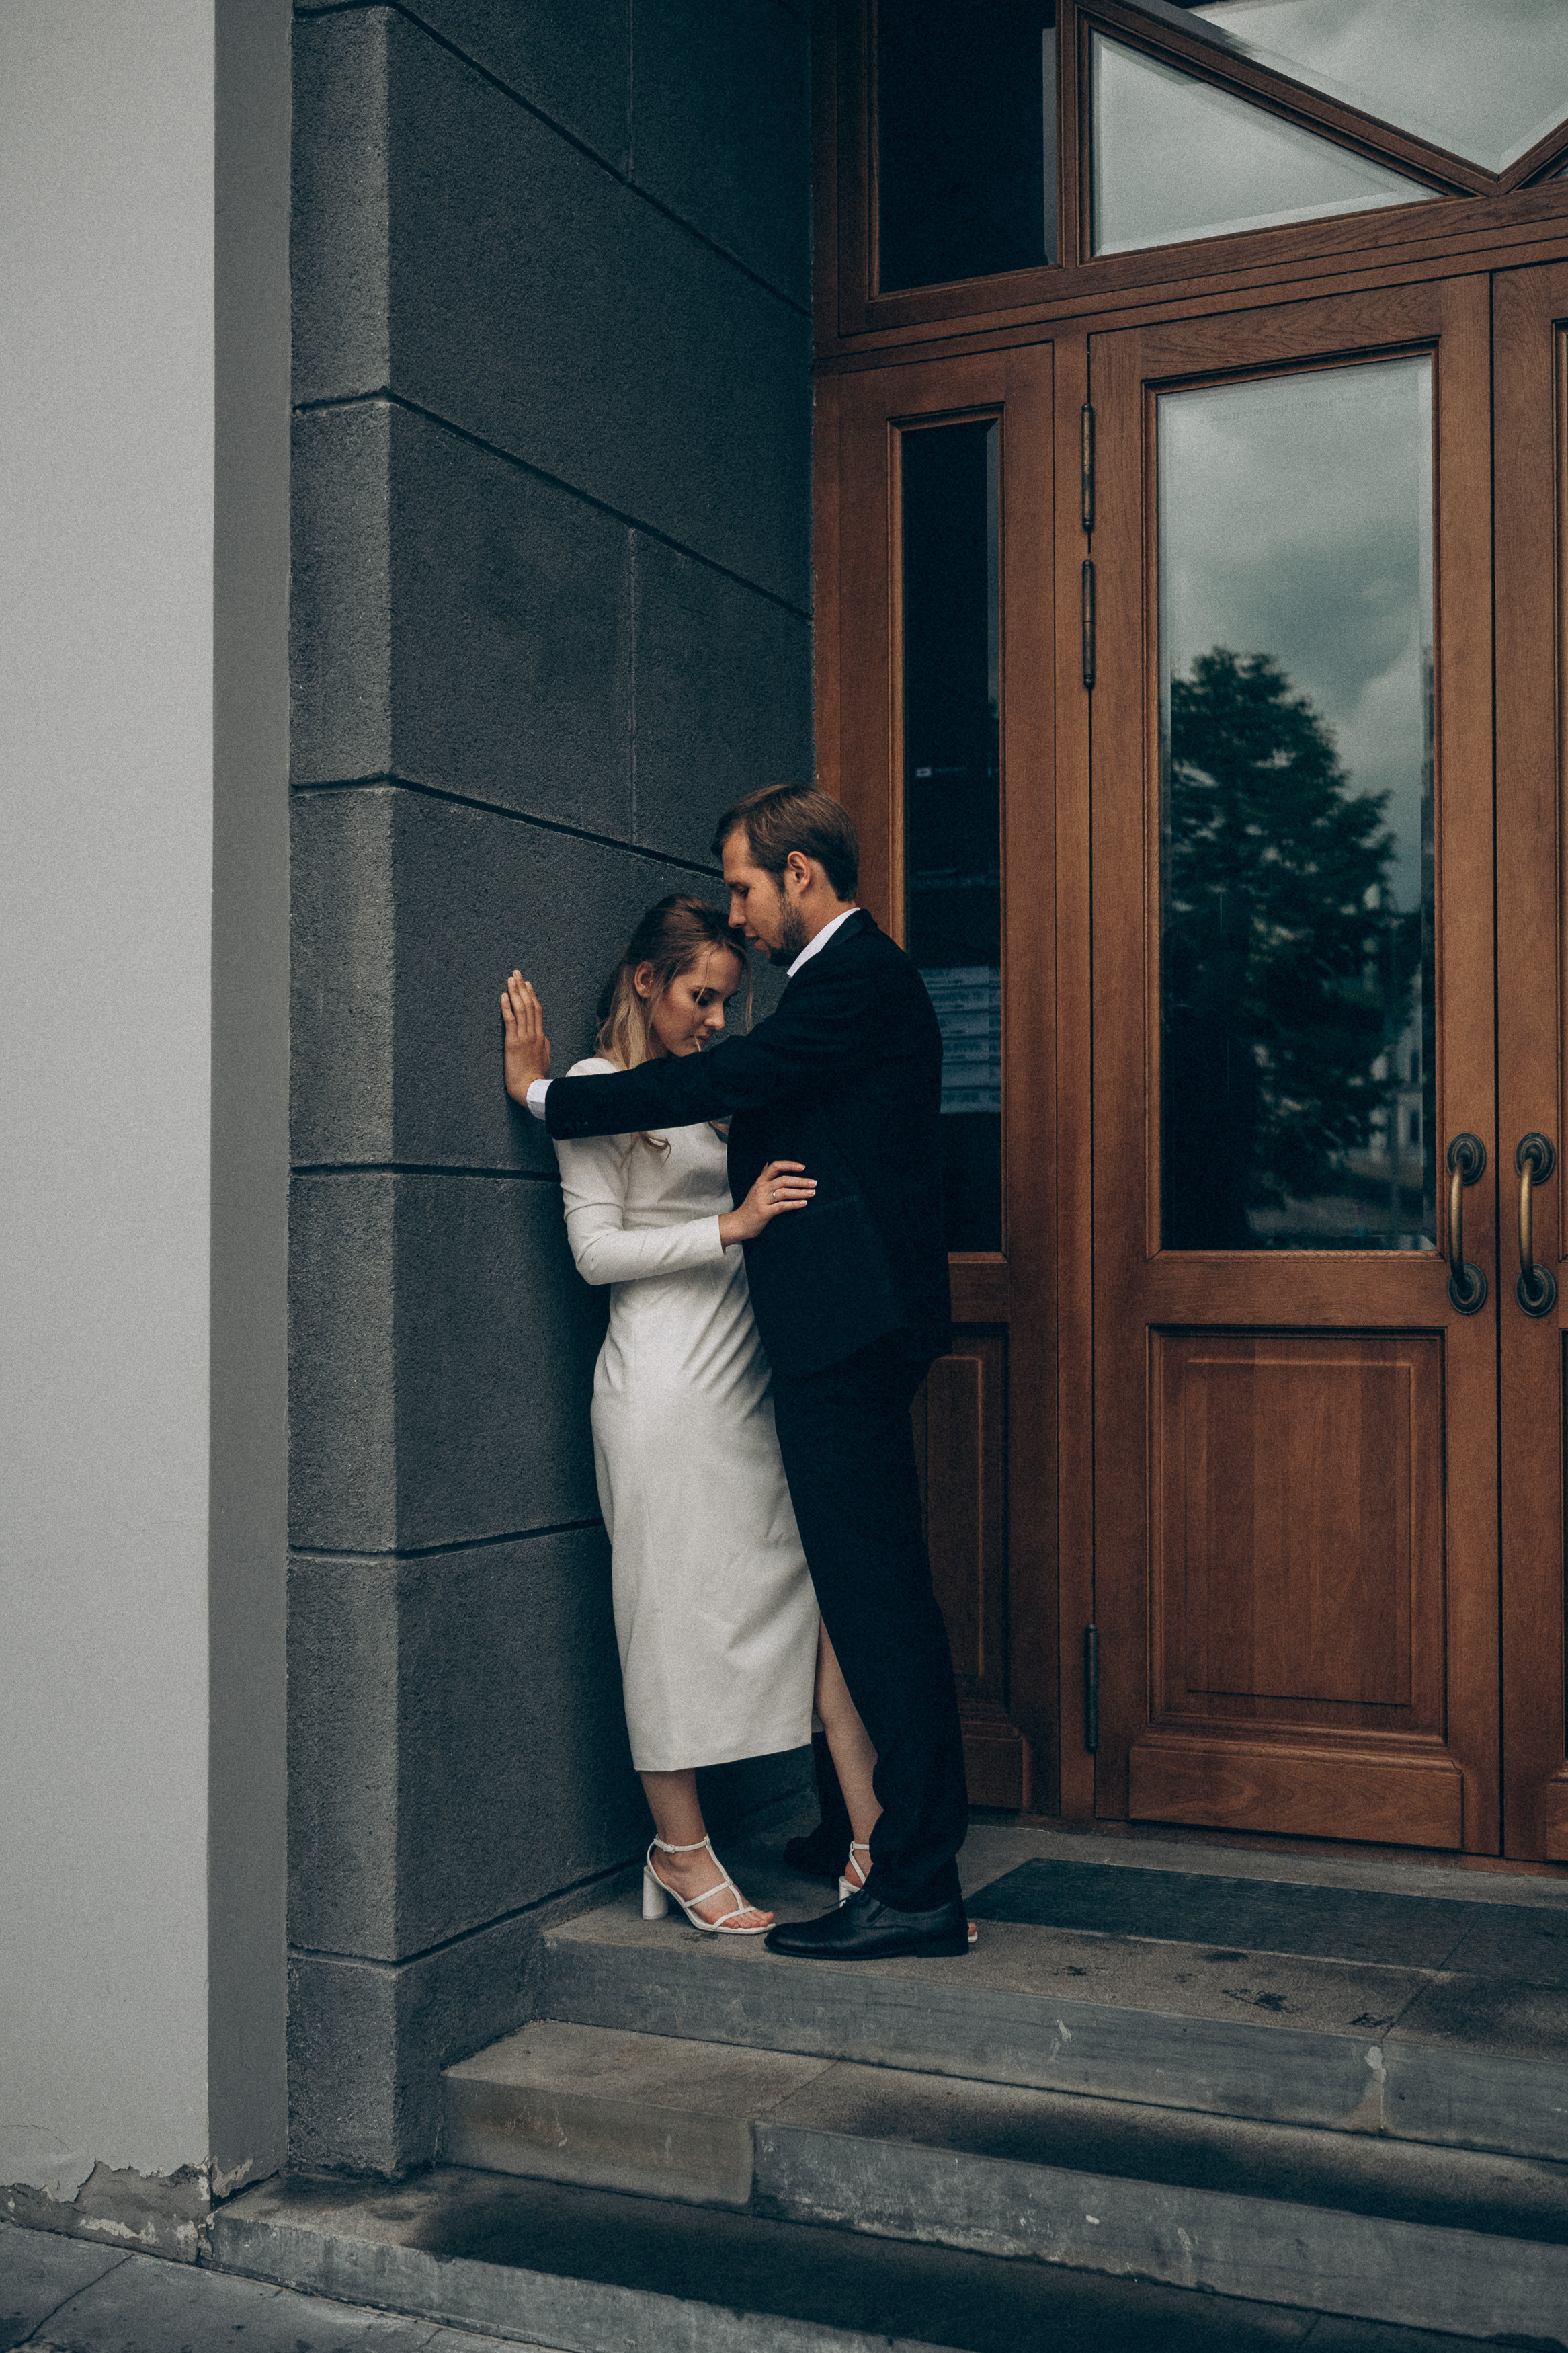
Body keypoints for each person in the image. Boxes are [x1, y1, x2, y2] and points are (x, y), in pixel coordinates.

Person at [502, 786, 971, 1962]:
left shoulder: (853, 978)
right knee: (849, 1603)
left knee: (870, 1609)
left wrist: (549, 1098)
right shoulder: (844, 984)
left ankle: (913, 1884)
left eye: (748, 888)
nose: (739, 915)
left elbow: (720, 1089)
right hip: (772, 1356)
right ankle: (863, 1842)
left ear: (800, 875)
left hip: (838, 1343)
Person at [528, 893, 880, 1937]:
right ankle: (679, 1853)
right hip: (665, 1389)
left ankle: (873, 1833)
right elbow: (595, 1255)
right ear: (645, 982)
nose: (716, 1019)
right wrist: (727, 1225)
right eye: (700, 997)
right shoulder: (597, 1091)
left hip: (751, 1383)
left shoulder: (715, 1086)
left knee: (821, 1607)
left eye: (728, 1000)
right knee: (667, 1615)